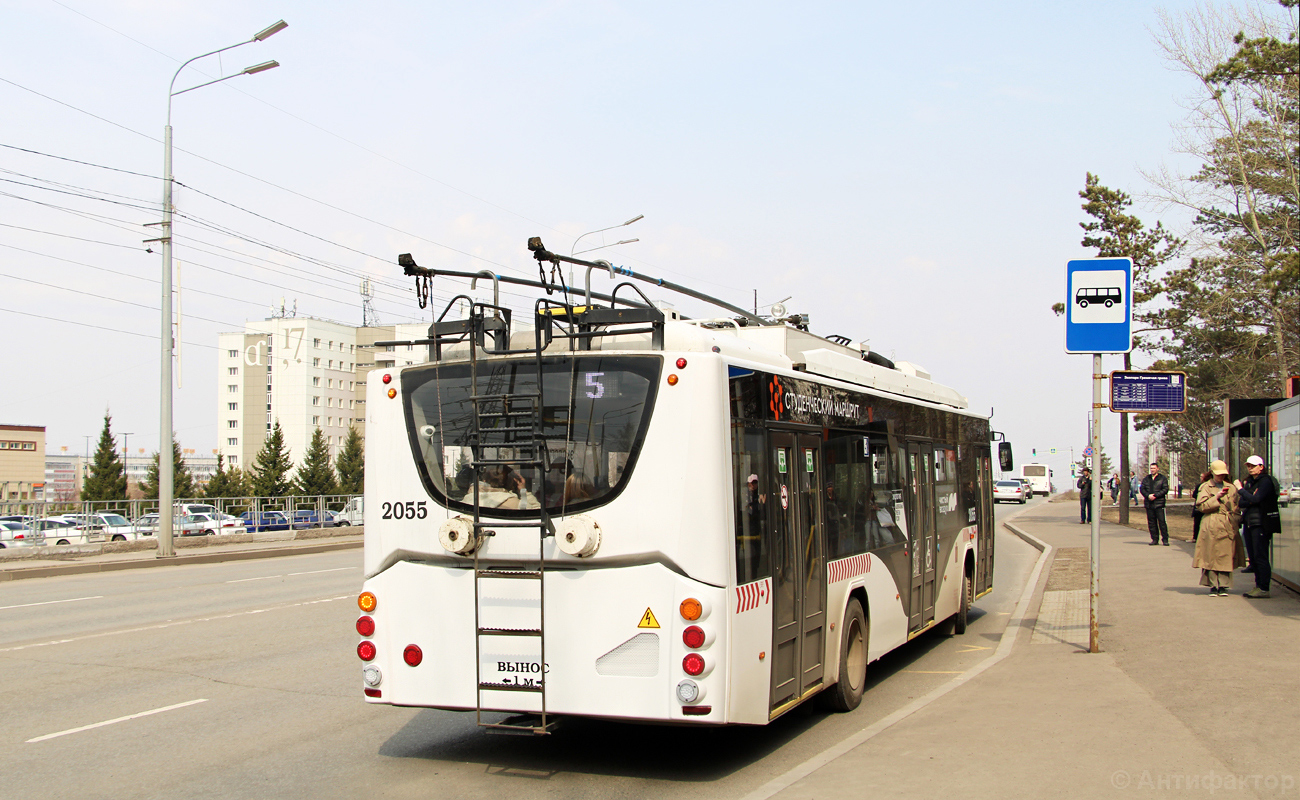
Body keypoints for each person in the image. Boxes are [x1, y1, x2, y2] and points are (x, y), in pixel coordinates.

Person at [1192, 460, 1245, 596]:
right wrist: (1216, 497)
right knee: (1210, 555)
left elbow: (1236, 506)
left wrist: (1236, 520)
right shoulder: (1205, 487)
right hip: (1211, 523)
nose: (1220, 477)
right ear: (1212, 473)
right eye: (1218, 474)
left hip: (1227, 523)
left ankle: (1224, 585)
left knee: (1225, 555)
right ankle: (1213, 585)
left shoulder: (1231, 487)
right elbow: (1201, 506)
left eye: (1223, 474)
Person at [1235, 455, 1280, 599]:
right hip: (1249, 522)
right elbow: (1242, 503)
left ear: (1261, 467)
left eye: (1253, 466)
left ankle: (1264, 587)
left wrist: (1242, 491)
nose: (1250, 468)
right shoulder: (1250, 482)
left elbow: (1256, 498)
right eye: (1248, 466)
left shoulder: (1265, 481)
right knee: (1253, 557)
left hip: (1261, 523)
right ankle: (1258, 585)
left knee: (1261, 556)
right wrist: (1249, 497)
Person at [1140, 462, 1170, 546]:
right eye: (1151, 468)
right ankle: (1154, 539)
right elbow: (1142, 489)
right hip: (1149, 504)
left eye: (1154, 468)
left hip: (1159, 504)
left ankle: (1165, 539)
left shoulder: (1162, 478)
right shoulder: (1147, 478)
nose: (1152, 470)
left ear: (1157, 469)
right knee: (1152, 522)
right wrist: (1148, 496)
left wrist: (1156, 496)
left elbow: (1165, 489)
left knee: (1162, 522)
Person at [1190, 470, 1212, 543]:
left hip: (1207, 507)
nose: (1201, 478)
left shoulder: (1209, 486)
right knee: (1197, 523)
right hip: (1199, 507)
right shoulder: (1199, 486)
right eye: (1201, 477)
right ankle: (1196, 537)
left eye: (1202, 477)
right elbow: (1194, 495)